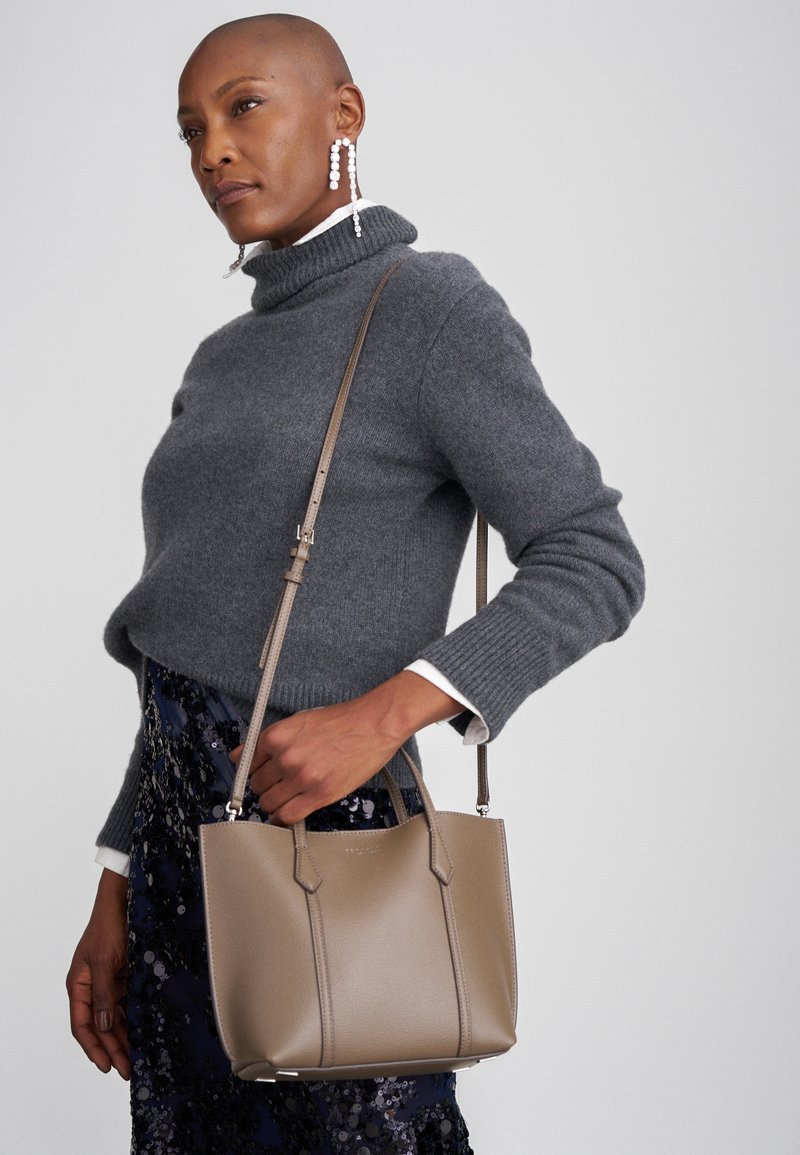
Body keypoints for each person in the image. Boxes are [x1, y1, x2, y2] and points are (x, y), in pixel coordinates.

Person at [66, 12, 646, 1153]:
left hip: (329, 845)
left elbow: (593, 554)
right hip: (181, 862)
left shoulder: (426, 307)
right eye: (190, 130)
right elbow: (186, 642)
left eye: (244, 106)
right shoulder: (222, 359)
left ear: (344, 115)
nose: (213, 151)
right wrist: (119, 873)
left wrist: (385, 713)